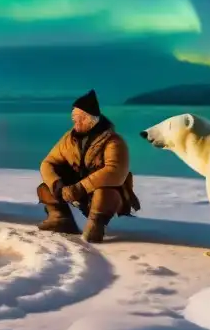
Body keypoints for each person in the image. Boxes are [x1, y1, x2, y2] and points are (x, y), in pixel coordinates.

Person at [37, 89, 141, 243]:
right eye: (74, 118)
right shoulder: (68, 139)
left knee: (104, 193)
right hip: (75, 190)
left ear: (92, 119)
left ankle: (96, 224)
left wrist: (80, 188)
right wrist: (58, 185)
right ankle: (60, 218)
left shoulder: (113, 141)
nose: (75, 122)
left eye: (80, 118)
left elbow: (115, 172)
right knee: (46, 187)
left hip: (99, 194)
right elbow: (48, 162)